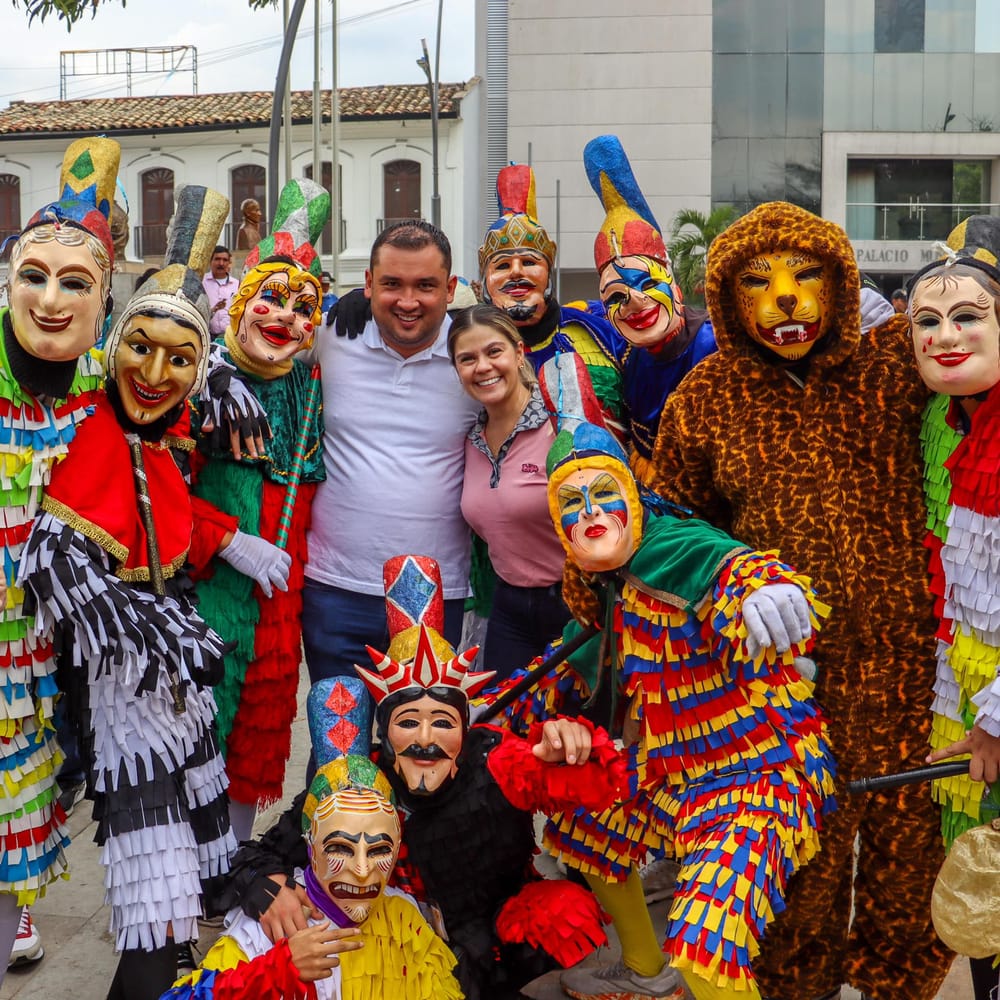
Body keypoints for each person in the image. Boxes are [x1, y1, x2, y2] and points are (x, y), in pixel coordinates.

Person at [648, 201, 952, 1000]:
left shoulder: (895, 364)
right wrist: (725, 577)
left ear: (842, 283)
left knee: (907, 861)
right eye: (758, 281)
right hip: (785, 683)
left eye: (805, 274)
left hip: (904, 672)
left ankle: (900, 987)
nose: (784, 295)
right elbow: (663, 526)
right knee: (801, 866)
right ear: (726, 297)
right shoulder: (705, 396)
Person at [489, 416, 834, 1000]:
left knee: (706, 947)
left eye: (605, 495)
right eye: (572, 503)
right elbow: (577, 659)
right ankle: (648, 974)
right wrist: (480, 714)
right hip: (671, 773)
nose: (591, 513)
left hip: (759, 775)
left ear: (634, 497)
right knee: (585, 824)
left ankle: (679, 970)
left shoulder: (669, 547)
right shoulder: (611, 582)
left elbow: (723, 563)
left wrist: (764, 588)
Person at [220, 554, 626, 1000]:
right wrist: (265, 889)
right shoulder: (359, 784)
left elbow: (598, 786)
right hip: (403, 938)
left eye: (444, 723)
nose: (426, 740)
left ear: (464, 729)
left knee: (563, 911)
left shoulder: (497, 758)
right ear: (385, 733)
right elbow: (262, 853)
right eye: (409, 722)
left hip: (498, 925)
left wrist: (573, 747)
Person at [18, 184, 238, 1000]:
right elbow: (52, 556)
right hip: (124, 696)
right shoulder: (98, 437)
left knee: (190, 883)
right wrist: (153, 624)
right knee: (159, 892)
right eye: (139, 349)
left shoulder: (163, 432)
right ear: (112, 345)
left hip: (177, 689)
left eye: (179, 360)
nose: (154, 373)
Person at [0, 136, 119, 975]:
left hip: (35, 668)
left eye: (74, 283)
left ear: (103, 301)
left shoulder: (103, 390)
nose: (49, 298)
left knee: (13, 827)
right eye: (32, 276)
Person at [191, 177, 329, 842]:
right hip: (206, 592)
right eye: (271, 299)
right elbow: (148, 494)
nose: (286, 318)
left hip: (281, 599)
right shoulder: (197, 380)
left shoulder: (311, 384)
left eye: (305, 308)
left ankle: (233, 859)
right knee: (197, 723)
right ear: (241, 303)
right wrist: (224, 539)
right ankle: (180, 868)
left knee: (261, 722)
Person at [163, 716, 462, 1000]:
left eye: (379, 850)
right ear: (311, 848)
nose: (362, 870)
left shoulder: (403, 920)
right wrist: (277, 971)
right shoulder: (269, 926)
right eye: (341, 848)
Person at [302, 220, 480, 684]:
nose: (407, 301)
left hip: (438, 593)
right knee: (337, 744)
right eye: (391, 285)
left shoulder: (474, 358)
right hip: (333, 585)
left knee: (424, 749)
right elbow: (252, 342)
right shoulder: (331, 337)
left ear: (451, 289)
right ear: (367, 285)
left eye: (425, 286)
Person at [906, 215, 1000, 1000]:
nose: (943, 336)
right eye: (926, 322)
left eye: (967, 316)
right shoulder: (946, 420)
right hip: (966, 704)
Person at [582, 135, 716, 482]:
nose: (635, 302)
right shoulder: (627, 359)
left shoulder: (717, 344)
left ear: (674, 285)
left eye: (647, 284)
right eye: (616, 296)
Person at [449, 304, 571, 677]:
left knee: (576, 730)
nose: (482, 367)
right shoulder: (471, 442)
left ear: (518, 353)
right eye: (467, 359)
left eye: (493, 352)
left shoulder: (561, 426)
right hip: (510, 605)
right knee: (506, 725)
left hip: (574, 605)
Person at [479, 163, 626, 435]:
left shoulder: (597, 330)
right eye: (501, 266)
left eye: (529, 261)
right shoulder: (471, 349)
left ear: (549, 272)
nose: (516, 272)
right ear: (484, 280)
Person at [202, 244, 239, 337]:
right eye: (217, 259)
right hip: (206, 336)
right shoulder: (201, 282)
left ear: (229, 263)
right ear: (210, 261)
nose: (221, 263)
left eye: (225, 260)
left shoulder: (237, 284)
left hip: (231, 337)